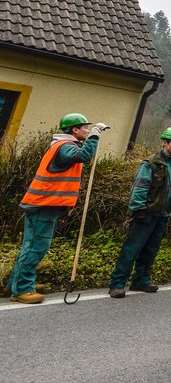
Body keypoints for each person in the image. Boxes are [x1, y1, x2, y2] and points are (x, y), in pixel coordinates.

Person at [6, 113, 106, 304]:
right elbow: (84, 156)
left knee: (33, 246)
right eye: (85, 127)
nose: (86, 130)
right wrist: (95, 135)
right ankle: (22, 289)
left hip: (47, 205)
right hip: (42, 205)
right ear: (75, 130)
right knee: (36, 247)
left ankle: (16, 283)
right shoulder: (65, 147)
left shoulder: (64, 146)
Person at [108, 127, 171, 298]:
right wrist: (139, 210)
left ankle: (141, 280)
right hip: (147, 213)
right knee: (132, 249)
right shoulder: (150, 163)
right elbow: (139, 187)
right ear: (165, 142)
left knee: (151, 250)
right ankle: (117, 283)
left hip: (163, 214)